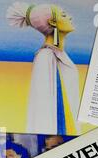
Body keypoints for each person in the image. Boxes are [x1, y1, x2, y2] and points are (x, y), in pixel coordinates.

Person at [7, 3, 81, 135]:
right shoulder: (45, 56)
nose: (70, 17)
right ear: (53, 22)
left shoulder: (56, 54)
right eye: (64, 15)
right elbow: (42, 107)